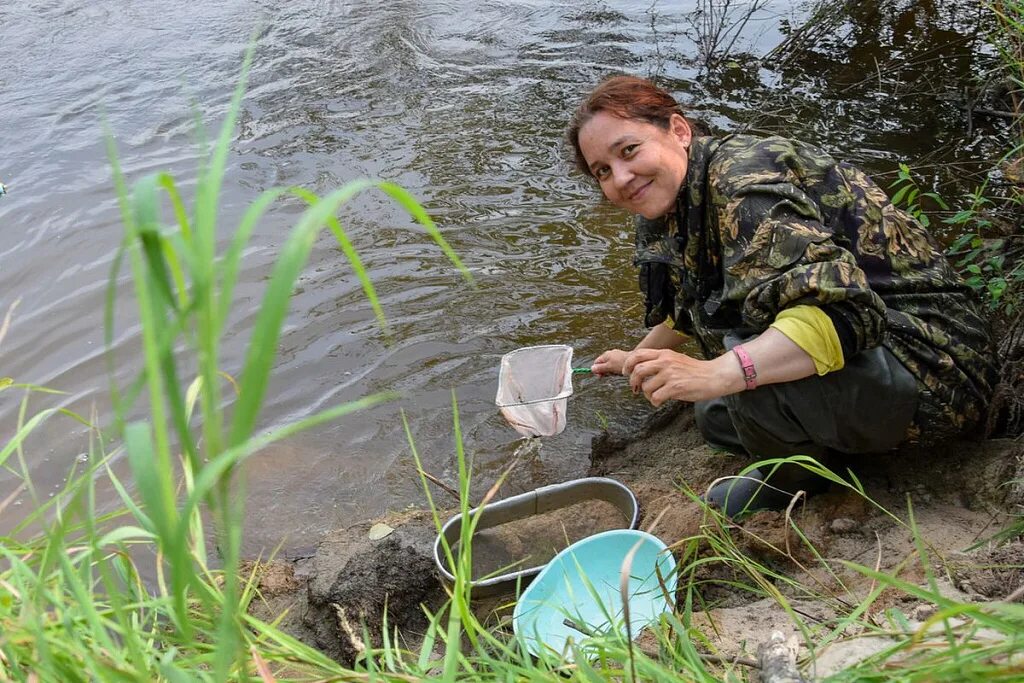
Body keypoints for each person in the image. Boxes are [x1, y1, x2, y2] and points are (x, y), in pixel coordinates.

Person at [567, 75, 998, 516]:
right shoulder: (670, 200)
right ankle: (841, 450)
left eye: (629, 150)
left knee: (743, 381)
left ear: (678, 131)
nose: (620, 178)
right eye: (602, 170)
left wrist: (720, 373)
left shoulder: (744, 181)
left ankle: (798, 486)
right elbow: (692, 304)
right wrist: (632, 359)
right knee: (714, 414)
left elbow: (844, 314)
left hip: (936, 365)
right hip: (877, 357)